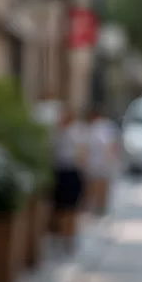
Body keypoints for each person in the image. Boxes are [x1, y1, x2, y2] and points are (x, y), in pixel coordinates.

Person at [50, 107, 86, 253]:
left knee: (69, 207)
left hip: (70, 171)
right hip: (62, 172)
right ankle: (65, 236)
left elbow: (81, 154)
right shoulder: (59, 134)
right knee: (63, 207)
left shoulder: (73, 133)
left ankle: (68, 236)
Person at [83, 108, 118, 215]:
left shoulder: (100, 127)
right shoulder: (96, 127)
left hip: (100, 161)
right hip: (97, 161)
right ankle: (99, 206)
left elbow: (108, 145)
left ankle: (100, 206)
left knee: (99, 184)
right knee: (97, 185)